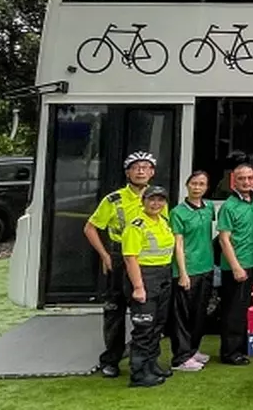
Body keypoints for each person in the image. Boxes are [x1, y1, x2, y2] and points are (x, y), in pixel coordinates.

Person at [83, 151, 159, 378]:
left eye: (146, 167)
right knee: (115, 311)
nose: (141, 171)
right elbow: (90, 228)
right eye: (136, 167)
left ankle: (144, 361)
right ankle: (111, 360)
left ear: (152, 172)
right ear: (128, 172)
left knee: (145, 313)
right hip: (118, 258)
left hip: (145, 260)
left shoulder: (157, 198)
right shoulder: (113, 199)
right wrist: (105, 256)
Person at [121, 186, 175, 387]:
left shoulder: (163, 221)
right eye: (152, 199)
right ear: (143, 201)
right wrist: (138, 287)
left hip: (163, 276)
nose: (156, 204)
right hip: (144, 277)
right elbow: (130, 258)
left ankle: (151, 365)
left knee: (157, 326)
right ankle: (139, 373)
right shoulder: (136, 226)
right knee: (144, 327)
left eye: (161, 200)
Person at [169, 171, 215, 373]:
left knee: (199, 314)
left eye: (202, 184)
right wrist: (183, 273)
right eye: (194, 183)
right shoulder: (178, 212)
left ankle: (192, 350)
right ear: (187, 186)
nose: (197, 187)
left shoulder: (209, 208)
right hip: (188, 270)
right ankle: (180, 357)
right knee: (183, 316)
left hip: (206, 267)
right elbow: (178, 244)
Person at [216, 163, 253, 365]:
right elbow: (224, 239)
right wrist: (235, 266)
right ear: (235, 181)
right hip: (236, 267)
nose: (246, 182)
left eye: (250, 178)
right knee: (233, 312)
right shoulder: (228, 206)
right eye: (242, 178)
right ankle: (229, 353)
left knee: (248, 309)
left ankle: (243, 346)